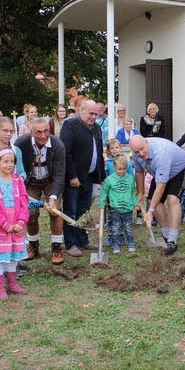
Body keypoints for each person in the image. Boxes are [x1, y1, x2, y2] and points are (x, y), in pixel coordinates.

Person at [15, 117, 67, 264]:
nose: (43, 136)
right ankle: (33, 245)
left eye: (46, 131)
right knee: (30, 213)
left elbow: (59, 175)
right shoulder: (21, 144)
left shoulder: (57, 145)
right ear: (31, 132)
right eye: (38, 132)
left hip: (50, 180)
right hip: (30, 181)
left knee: (55, 210)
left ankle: (57, 247)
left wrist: (53, 197)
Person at [131, 134, 185, 256]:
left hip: (181, 169)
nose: (141, 154)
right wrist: (140, 193)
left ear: (146, 143)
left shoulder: (160, 153)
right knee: (152, 200)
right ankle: (166, 234)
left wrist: (150, 211)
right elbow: (139, 173)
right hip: (161, 172)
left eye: (142, 149)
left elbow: (161, 187)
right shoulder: (136, 155)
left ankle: (172, 241)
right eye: (137, 152)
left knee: (172, 199)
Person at [0, 149, 29, 300]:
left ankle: (13, 283)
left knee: (13, 256)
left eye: (12, 162)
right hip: (0, 227)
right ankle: (0, 287)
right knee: (0, 258)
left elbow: (23, 201)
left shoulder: (18, 181)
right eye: (6, 161)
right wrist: (4, 224)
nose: (10, 165)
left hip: (16, 224)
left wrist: (21, 221)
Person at [60, 100, 104, 257]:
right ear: (81, 111)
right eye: (91, 113)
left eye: (96, 114)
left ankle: (82, 240)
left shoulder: (97, 128)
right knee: (70, 210)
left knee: (84, 210)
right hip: (73, 178)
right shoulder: (70, 125)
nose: (94, 117)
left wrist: (101, 178)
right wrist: (72, 176)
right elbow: (65, 152)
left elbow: (99, 152)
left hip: (89, 177)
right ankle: (71, 243)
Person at [98, 154, 139, 253]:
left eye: (124, 169)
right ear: (114, 167)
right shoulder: (109, 180)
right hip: (115, 209)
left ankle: (130, 242)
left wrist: (135, 203)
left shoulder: (130, 179)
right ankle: (115, 244)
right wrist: (101, 203)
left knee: (128, 227)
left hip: (128, 209)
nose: (121, 171)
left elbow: (132, 193)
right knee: (115, 227)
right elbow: (104, 192)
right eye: (119, 169)